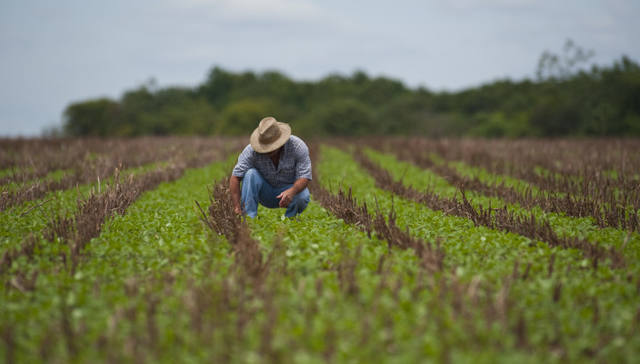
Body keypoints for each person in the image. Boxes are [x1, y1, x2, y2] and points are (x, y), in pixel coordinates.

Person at [230, 116, 312, 218]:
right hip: (265, 192)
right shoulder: (251, 151)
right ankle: (249, 218)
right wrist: (237, 207)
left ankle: (290, 220)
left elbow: (304, 176)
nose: (268, 150)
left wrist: (292, 191)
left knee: (303, 196)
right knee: (251, 174)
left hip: (289, 190)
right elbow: (235, 177)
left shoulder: (297, 146)